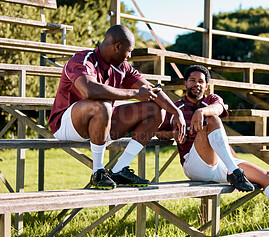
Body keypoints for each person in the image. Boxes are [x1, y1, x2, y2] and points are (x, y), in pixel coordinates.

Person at [156, 65, 269, 231]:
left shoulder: (211, 100)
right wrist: (172, 134)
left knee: (267, 176)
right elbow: (159, 133)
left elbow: (218, 108)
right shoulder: (175, 108)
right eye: (192, 80)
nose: (196, 84)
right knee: (211, 121)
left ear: (207, 85)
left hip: (221, 164)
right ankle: (235, 172)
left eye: (201, 81)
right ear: (185, 83)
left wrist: (200, 111)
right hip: (194, 164)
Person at [49, 25, 186, 190]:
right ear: (117, 47)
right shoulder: (83, 60)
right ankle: (98, 172)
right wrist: (135, 93)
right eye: (129, 51)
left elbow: (152, 90)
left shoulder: (123, 67)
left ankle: (119, 169)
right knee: (103, 104)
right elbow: (89, 90)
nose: (129, 56)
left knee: (156, 110)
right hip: (67, 125)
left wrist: (176, 112)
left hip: (100, 123)